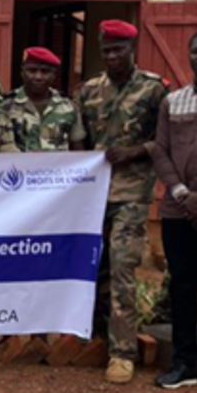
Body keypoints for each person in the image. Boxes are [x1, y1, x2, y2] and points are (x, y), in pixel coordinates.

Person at [75, 19, 168, 385]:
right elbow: (79, 137)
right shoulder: (88, 90)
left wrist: (135, 151)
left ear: (133, 49)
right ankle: (95, 335)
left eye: (119, 50)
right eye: (107, 50)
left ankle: (122, 353)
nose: (112, 56)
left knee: (123, 268)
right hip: (92, 194)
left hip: (131, 193)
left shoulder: (154, 89)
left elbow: (166, 139)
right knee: (93, 267)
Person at [152, 31, 197, 389]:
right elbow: (161, 151)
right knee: (182, 286)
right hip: (177, 209)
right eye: (195, 51)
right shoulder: (174, 102)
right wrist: (183, 193)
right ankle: (185, 362)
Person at [2, 47, 86, 152]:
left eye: (45, 71)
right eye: (32, 70)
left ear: (54, 75)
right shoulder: (5, 106)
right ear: (22, 72)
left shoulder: (69, 107)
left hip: (58, 163)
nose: (38, 77)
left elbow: (78, 149)